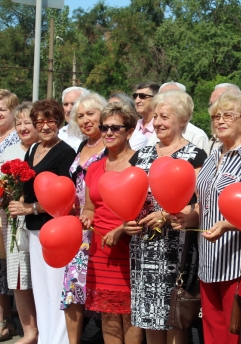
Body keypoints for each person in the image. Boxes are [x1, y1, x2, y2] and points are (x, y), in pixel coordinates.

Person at [170, 92, 241, 344]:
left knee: (234, 333)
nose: (220, 121)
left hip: (238, 262)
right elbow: (204, 203)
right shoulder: (214, 155)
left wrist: (227, 225)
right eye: (216, 116)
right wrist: (191, 218)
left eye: (228, 115)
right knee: (212, 332)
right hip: (208, 260)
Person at [124, 90, 207, 344]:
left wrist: (167, 213)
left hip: (176, 249)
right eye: (156, 116)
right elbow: (127, 195)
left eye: (165, 117)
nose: (158, 122)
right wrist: (126, 222)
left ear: (182, 120)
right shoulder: (141, 155)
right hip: (144, 247)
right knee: (149, 315)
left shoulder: (195, 156)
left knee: (174, 315)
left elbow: (202, 204)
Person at [8, 99, 76, 344]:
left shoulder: (66, 152)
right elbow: (28, 187)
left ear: (58, 122)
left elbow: (65, 198)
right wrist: (17, 201)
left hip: (56, 230)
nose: (45, 126)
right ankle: (46, 339)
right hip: (34, 230)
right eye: (40, 121)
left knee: (56, 290)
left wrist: (29, 208)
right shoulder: (32, 149)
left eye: (50, 121)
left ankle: (58, 341)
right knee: (41, 291)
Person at [80, 101, 143, 344]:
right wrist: (86, 218)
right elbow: (90, 207)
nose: (108, 133)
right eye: (104, 127)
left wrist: (120, 230)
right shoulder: (94, 168)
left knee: (130, 313)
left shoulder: (140, 164)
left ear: (130, 130)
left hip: (130, 249)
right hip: (101, 251)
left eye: (115, 128)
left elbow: (147, 209)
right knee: (108, 312)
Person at [60, 93, 107, 344]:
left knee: (105, 289)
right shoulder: (81, 147)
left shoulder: (113, 146)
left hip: (103, 226)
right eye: (81, 116)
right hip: (77, 228)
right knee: (73, 289)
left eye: (91, 113)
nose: (86, 120)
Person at [0, 102, 39, 344]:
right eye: (20, 123)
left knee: (39, 277)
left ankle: (45, 328)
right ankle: (29, 332)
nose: (23, 127)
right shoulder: (8, 151)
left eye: (28, 122)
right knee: (18, 277)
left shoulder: (44, 150)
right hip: (11, 221)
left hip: (38, 219)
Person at [0, 89, 20, 340]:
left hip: (8, 212)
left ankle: (6, 320)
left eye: (2, 109)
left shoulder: (17, 140)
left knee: (4, 268)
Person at [158, 82, 209, 150]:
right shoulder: (155, 132)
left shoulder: (197, 136)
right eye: (161, 97)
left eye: (171, 97)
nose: (164, 101)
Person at [59, 87, 90, 152]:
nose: (68, 109)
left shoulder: (90, 135)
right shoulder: (59, 134)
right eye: (65, 104)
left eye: (73, 104)